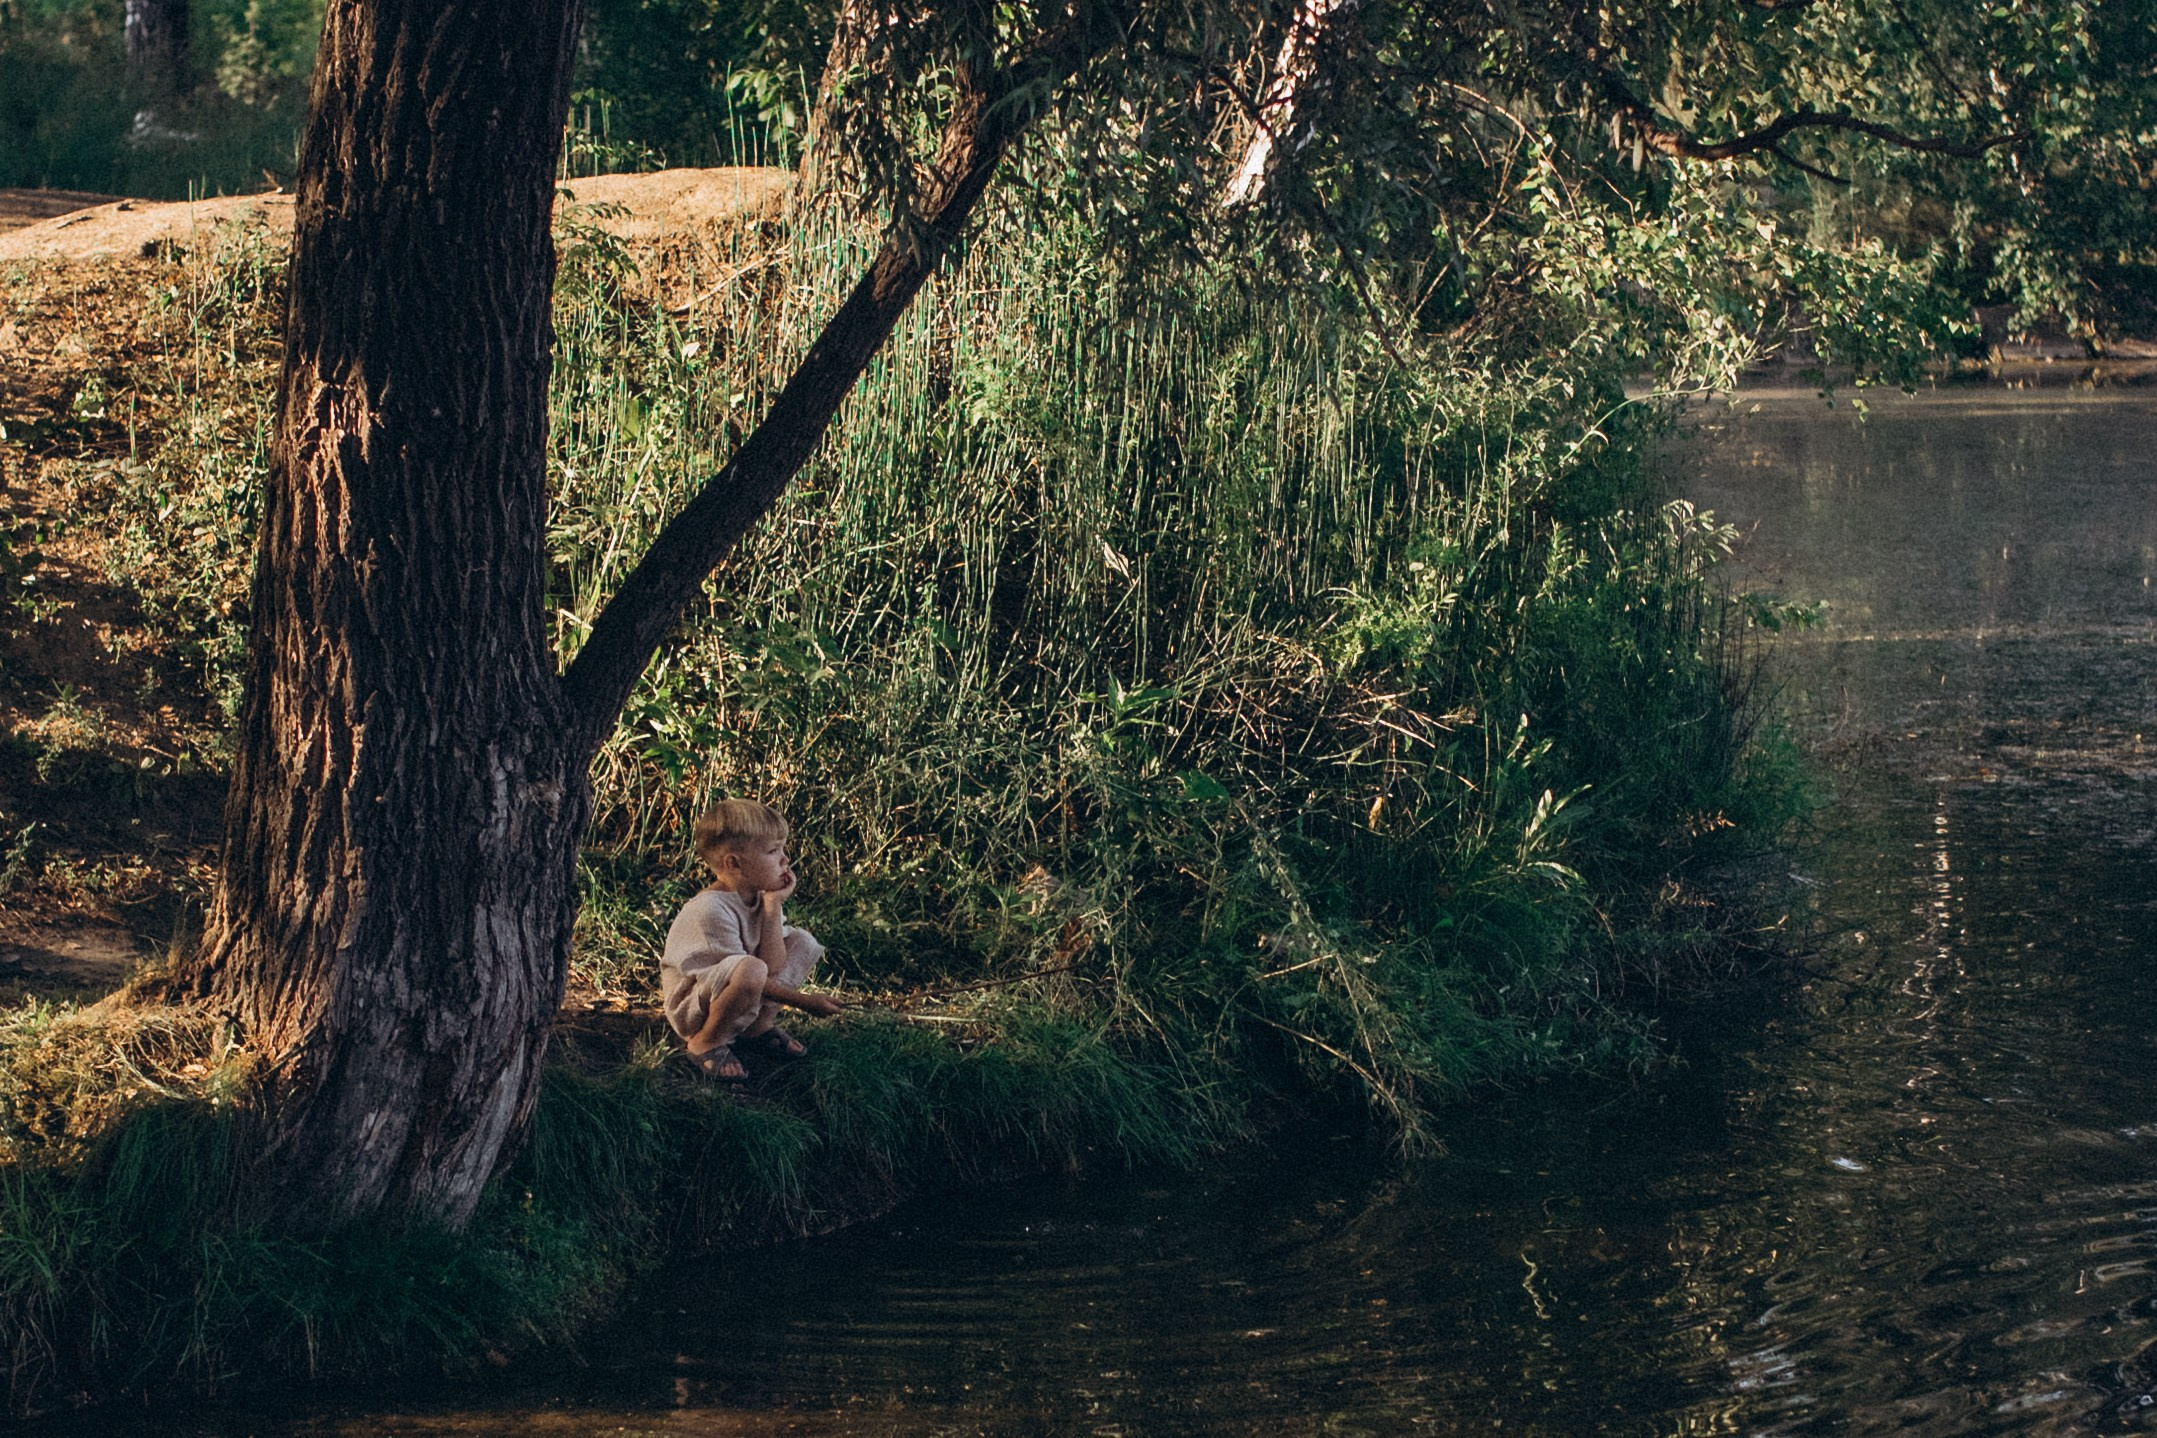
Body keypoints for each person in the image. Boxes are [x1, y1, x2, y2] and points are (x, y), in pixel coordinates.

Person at [662, 798, 843, 1081]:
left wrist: (772, 907)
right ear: (734, 863)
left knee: (802, 942)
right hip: (695, 1010)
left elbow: (772, 966)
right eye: (773, 851)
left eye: (782, 848)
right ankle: (707, 1041)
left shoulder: (759, 898)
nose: (785, 859)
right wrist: (805, 1002)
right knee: (750, 969)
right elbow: (751, 976)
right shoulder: (710, 909)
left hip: (741, 993)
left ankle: (755, 1027)